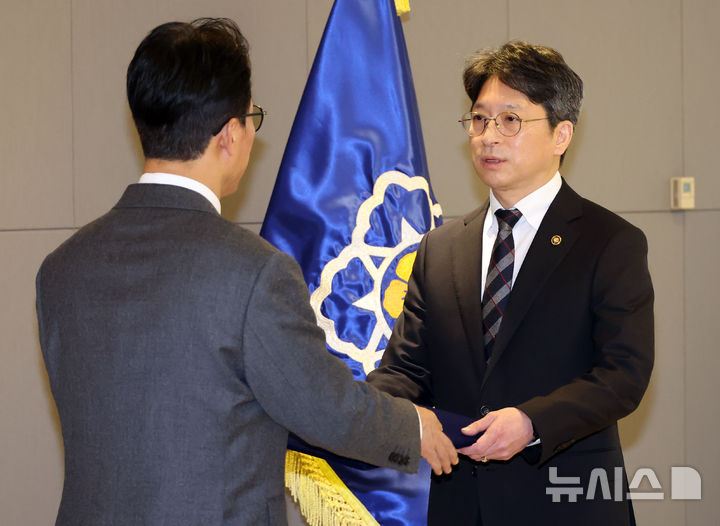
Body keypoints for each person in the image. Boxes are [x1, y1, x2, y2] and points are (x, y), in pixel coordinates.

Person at [35, 18, 457, 525]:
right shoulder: (255, 272)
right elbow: (323, 407)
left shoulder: (60, 269)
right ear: (230, 134)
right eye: (252, 118)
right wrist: (414, 427)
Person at [367, 41, 654, 525]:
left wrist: (531, 422)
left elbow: (623, 375)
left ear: (562, 134)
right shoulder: (440, 248)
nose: (488, 137)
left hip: (567, 502)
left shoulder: (609, 242)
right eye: (479, 120)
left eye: (510, 120)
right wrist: (375, 411)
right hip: (461, 504)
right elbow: (405, 370)